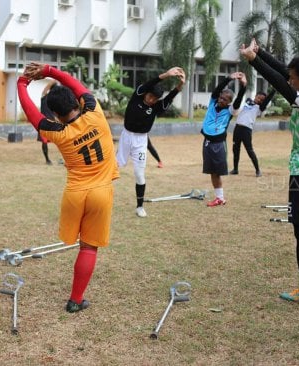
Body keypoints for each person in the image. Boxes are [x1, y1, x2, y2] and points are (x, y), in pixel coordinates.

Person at [17, 62, 119, 313]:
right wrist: (49, 71)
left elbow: (32, 113)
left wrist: (22, 83)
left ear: (56, 115)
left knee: (78, 244)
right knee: (89, 247)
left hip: (74, 194)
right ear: (77, 103)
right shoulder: (95, 113)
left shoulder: (58, 132)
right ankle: (75, 300)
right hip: (101, 193)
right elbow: (76, 84)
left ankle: (76, 297)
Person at [241, 38, 299, 306]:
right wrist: (261, 52)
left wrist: (254, 61)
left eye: (295, 78)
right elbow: (284, 72)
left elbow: (280, 83)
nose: (290, 80)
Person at [116, 67, 185, 217]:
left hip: (141, 140)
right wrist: (166, 75)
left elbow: (169, 98)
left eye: (155, 98)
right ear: (146, 93)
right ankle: (102, 198)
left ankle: (139, 207)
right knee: (115, 167)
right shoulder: (137, 95)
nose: (151, 100)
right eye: (150, 96)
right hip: (126, 136)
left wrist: (179, 86)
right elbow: (150, 83)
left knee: (139, 174)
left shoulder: (155, 107)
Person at [201, 72, 246, 207]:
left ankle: (221, 197)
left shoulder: (231, 110)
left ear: (229, 102)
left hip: (218, 144)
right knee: (212, 172)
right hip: (207, 143)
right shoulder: (213, 102)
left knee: (217, 172)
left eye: (225, 99)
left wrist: (243, 86)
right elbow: (216, 90)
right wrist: (228, 78)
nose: (221, 100)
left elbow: (238, 101)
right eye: (221, 97)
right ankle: (219, 198)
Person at [230, 88, 275, 177]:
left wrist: (274, 90)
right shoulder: (248, 101)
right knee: (235, 149)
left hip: (247, 130)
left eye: (262, 100)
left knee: (249, 150)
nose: (259, 100)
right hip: (238, 128)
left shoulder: (260, 108)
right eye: (258, 97)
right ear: (255, 96)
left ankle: (258, 170)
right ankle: (235, 169)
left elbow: (268, 99)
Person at [39, 79, 58, 165]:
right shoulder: (52, 99)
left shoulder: (45, 97)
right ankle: (47, 160)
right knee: (61, 140)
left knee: (45, 141)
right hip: (50, 122)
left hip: (44, 122)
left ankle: (47, 160)